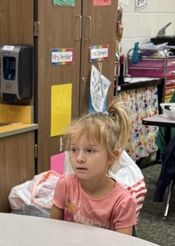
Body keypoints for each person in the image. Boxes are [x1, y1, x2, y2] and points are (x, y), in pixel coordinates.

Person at [50, 100, 138, 235]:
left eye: (90, 151)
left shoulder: (122, 201)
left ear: (112, 156)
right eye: (74, 149)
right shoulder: (64, 184)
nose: (79, 158)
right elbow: (53, 230)